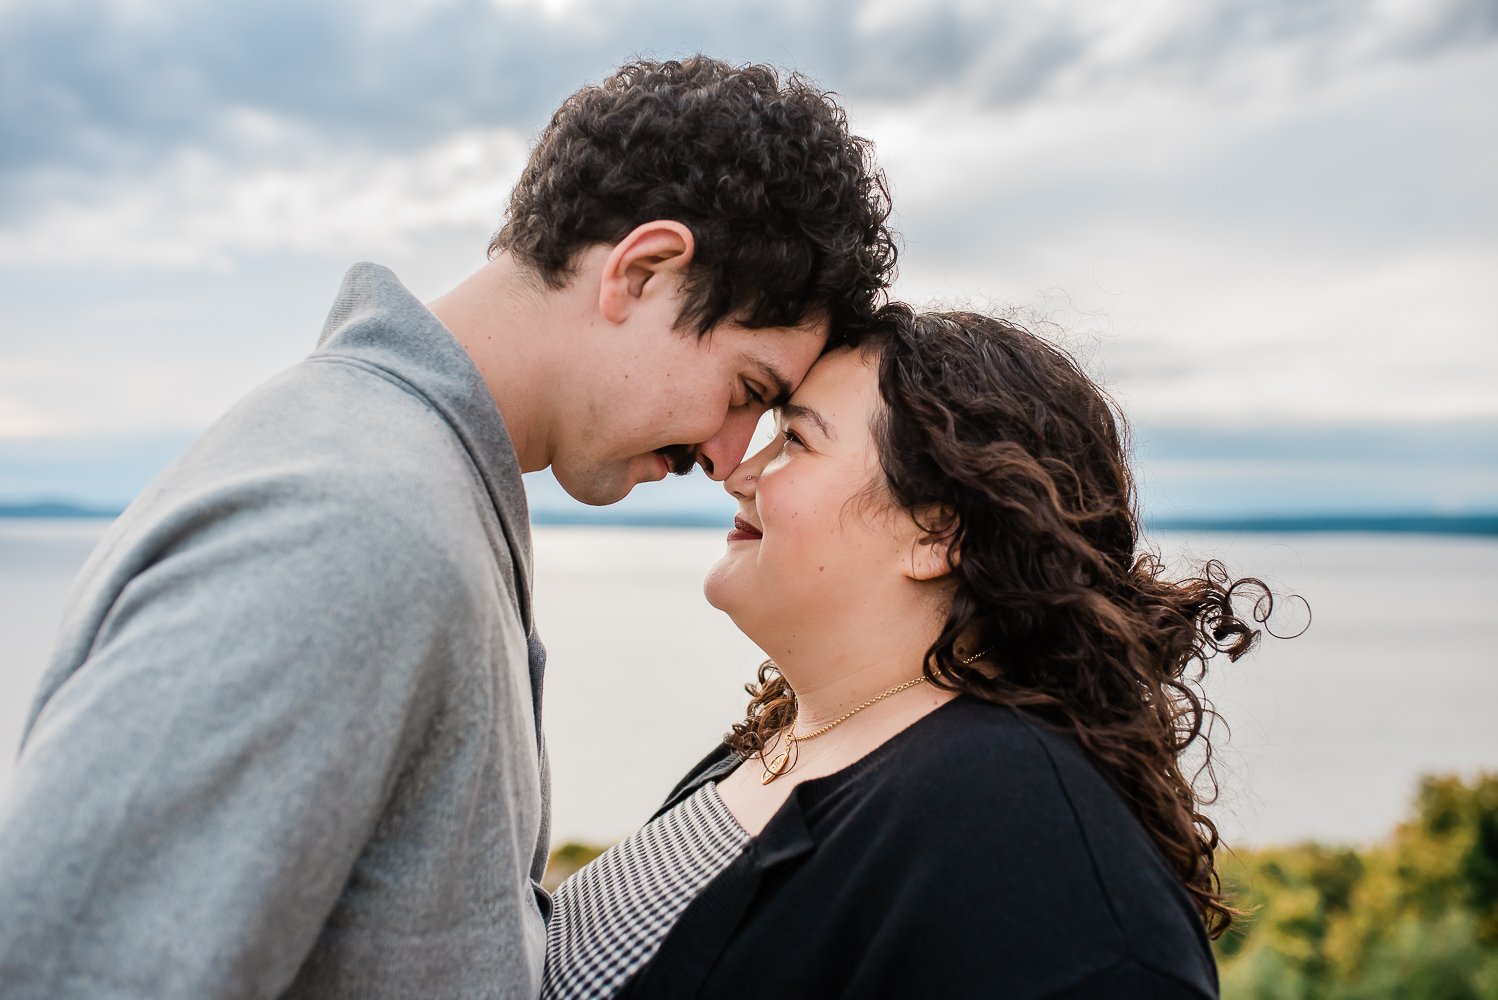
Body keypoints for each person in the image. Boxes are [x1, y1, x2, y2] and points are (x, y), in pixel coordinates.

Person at [0, 57, 895, 998]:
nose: (724, 457)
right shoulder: (355, 525)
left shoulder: (397, 475)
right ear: (643, 270)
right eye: (747, 392)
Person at [543, 306, 1287, 999]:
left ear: (939, 532)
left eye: (795, 439)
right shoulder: (788, 742)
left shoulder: (1023, 843)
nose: (736, 471)